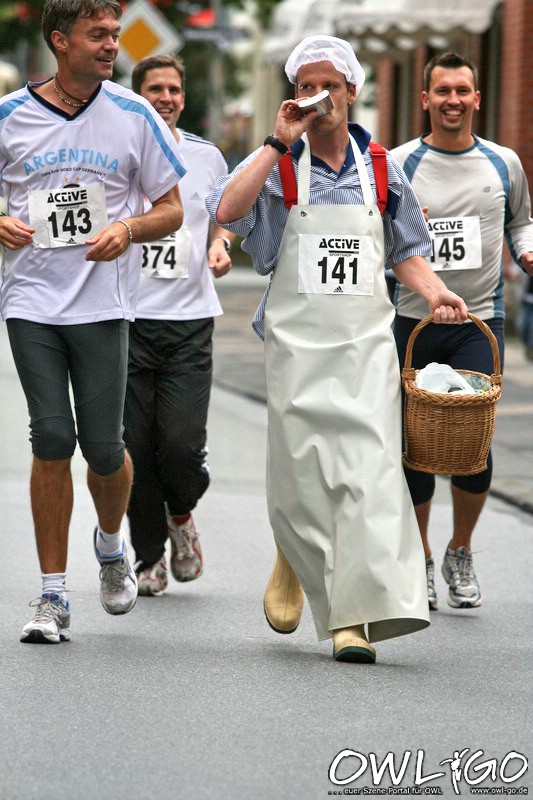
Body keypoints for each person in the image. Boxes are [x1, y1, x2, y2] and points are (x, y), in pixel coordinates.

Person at [206, 35, 468, 664]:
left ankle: (353, 619)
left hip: (365, 344)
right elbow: (227, 210)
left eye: (331, 85)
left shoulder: (381, 167)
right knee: (301, 475)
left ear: (352, 93)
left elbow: (405, 251)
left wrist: (436, 294)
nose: (318, 97)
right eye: (305, 85)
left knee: (367, 475)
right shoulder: (280, 165)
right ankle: (292, 556)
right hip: (297, 344)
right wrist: (275, 142)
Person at [0, 0, 186, 644]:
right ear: (60, 40)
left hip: (104, 304)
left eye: (114, 34)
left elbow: (173, 209)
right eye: (97, 34)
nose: (111, 45)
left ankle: (111, 545)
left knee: (104, 449)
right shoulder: (10, 116)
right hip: (30, 302)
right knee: (50, 436)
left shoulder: (134, 115)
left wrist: (127, 227)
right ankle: (53, 595)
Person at [391, 52, 533, 612]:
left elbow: (521, 218)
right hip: (412, 318)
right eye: (442, 91)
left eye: (462, 91)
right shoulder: (401, 164)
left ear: (477, 99)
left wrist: (525, 250)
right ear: (425, 100)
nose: (453, 100)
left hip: (479, 320)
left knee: (474, 444)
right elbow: (377, 236)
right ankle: (421, 556)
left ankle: (460, 549)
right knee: (417, 444)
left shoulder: (503, 163)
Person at [124, 54, 234, 596]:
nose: (165, 97)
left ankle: (182, 515)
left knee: (182, 445)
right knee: (133, 448)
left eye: (173, 89)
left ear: (183, 98)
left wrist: (219, 243)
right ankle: (148, 559)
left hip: (189, 321)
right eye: (154, 89)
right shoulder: (117, 152)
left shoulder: (207, 157)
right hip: (124, 319)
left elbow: (225, 216)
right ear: (136, 95)